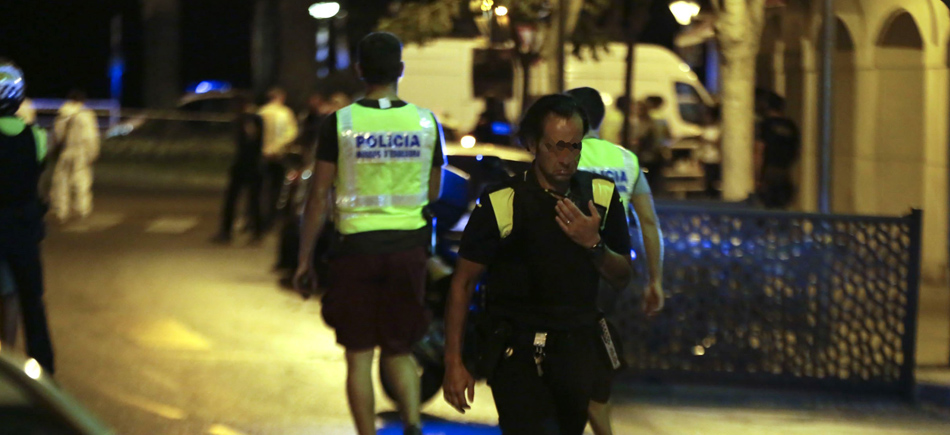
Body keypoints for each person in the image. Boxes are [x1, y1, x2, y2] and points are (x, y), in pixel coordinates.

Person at [442, 94, 661, 434]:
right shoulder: (503, 201)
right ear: (532, 144)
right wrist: (453, 362)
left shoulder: (600, 197)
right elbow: (463, 283)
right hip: (515, 350)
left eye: (574, 147)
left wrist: (594, 244)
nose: (565, 158)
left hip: (576, 348)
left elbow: (621, 277)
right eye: (555, 146)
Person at [294, 32, 445, 435]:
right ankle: (412, 424)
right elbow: (434, 191)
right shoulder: (425, 122)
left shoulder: (340, 124)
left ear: (360, 71)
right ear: (400, 70)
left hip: (354, 250)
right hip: (408, 249)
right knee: (399, 350)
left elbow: (317, 197)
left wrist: (304, 259)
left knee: (358, 357)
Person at [567, 87, 665, 435]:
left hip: (570, 270)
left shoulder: (565, 156)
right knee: (593, 352)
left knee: (577, 357)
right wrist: (655, 280)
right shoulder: (626, 160)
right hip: (612, 272)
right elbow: (649, 223)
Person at [0, 58, 55, 372]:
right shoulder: (36, 137)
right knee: (31, 303)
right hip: (22, 230)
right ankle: (43, 374)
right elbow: (39, 179)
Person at [212, 95, 265, 244]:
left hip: (250, 164)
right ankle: (228, 231)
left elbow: (252, 140)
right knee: (237, 198)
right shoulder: (246, 119)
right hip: (244, 164)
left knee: (250, 199)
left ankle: (254, 232)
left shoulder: (250, 119)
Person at [51, 89, 99, 223]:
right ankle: (82, 209)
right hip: (81, 151)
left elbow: (57, 134)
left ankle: (61, 210)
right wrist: (93, 153)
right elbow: (91, 137)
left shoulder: (62, 113)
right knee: (81, 180)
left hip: (66, 151)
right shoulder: (86, 115)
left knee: (61, 181)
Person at [258, 87, 299, 229]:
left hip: (262, 155)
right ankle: (272, 217)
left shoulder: (261, 112)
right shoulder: (285, 113)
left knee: (262, 187)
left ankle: (259, 218)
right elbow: (292, 133)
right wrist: (278, 148)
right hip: (279, 155)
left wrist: (266, 149)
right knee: (276, 188)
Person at [755, 91, 800, 209]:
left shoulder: (766, 124)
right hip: (785, 173)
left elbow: (759, 150)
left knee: (767, 208)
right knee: (782, 207)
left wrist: (757, 176)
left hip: (769, 172)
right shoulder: (791, 126)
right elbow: (796, 151)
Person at [635, 96, 671, 195]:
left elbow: (648, 138)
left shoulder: (649, 122)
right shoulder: (659, 119)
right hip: (653, 154)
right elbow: (667, 135)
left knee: (650, 176)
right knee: (653, 177)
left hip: (649, 154)